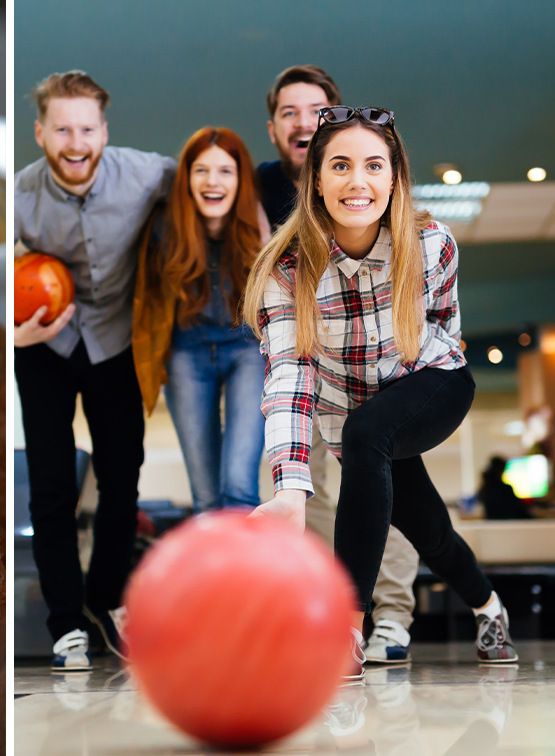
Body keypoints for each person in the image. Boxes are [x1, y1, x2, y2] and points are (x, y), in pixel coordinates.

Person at [243, 105, 519, 676]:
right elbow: (289, 379)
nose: (357, 181)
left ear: (394, 179)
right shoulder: (285, 270)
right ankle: (491, 607)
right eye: (340, 166)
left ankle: (347, 630)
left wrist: (404, 395)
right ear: (315, 180)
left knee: (368, 431)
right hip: (354, 412)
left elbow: (444, 324)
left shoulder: (431, 243)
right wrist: (291, 488)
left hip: (433, 383)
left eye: (374, 165)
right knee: (429, 530)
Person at [14, 71, 176, 672]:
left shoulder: (146, 172)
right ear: (40, 133)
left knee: (121, 480)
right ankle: (64, 627)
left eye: (86, 128)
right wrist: (12, 332)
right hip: (42, 344)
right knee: (52, 488)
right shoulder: (18, 195)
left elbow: (208, 190)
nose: (75, 142)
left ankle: (105, 603)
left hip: (114, 341)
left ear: (104, 131)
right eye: (62, 129)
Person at [258, 65, 420, 664]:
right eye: (290, 112)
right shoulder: (263, 199)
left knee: (387, 483)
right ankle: (326, 615)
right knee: (301, 490)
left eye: (315, 110)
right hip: (307, 363)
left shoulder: (406, 228)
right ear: (274, 126)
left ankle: (392, 617)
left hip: (380, 370)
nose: (303, 121)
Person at [131, 127, 267, 514]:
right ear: (186, 179)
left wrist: (261, 229)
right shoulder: (164, 227)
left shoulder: (257, 227)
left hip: (246, 350)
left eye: (226, 171)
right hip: (186, 353)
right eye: (201, 170)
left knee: (239, 486)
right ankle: (214, 576)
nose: (212, 181)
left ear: (240, 180)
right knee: (206, 496)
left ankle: (246, 576)